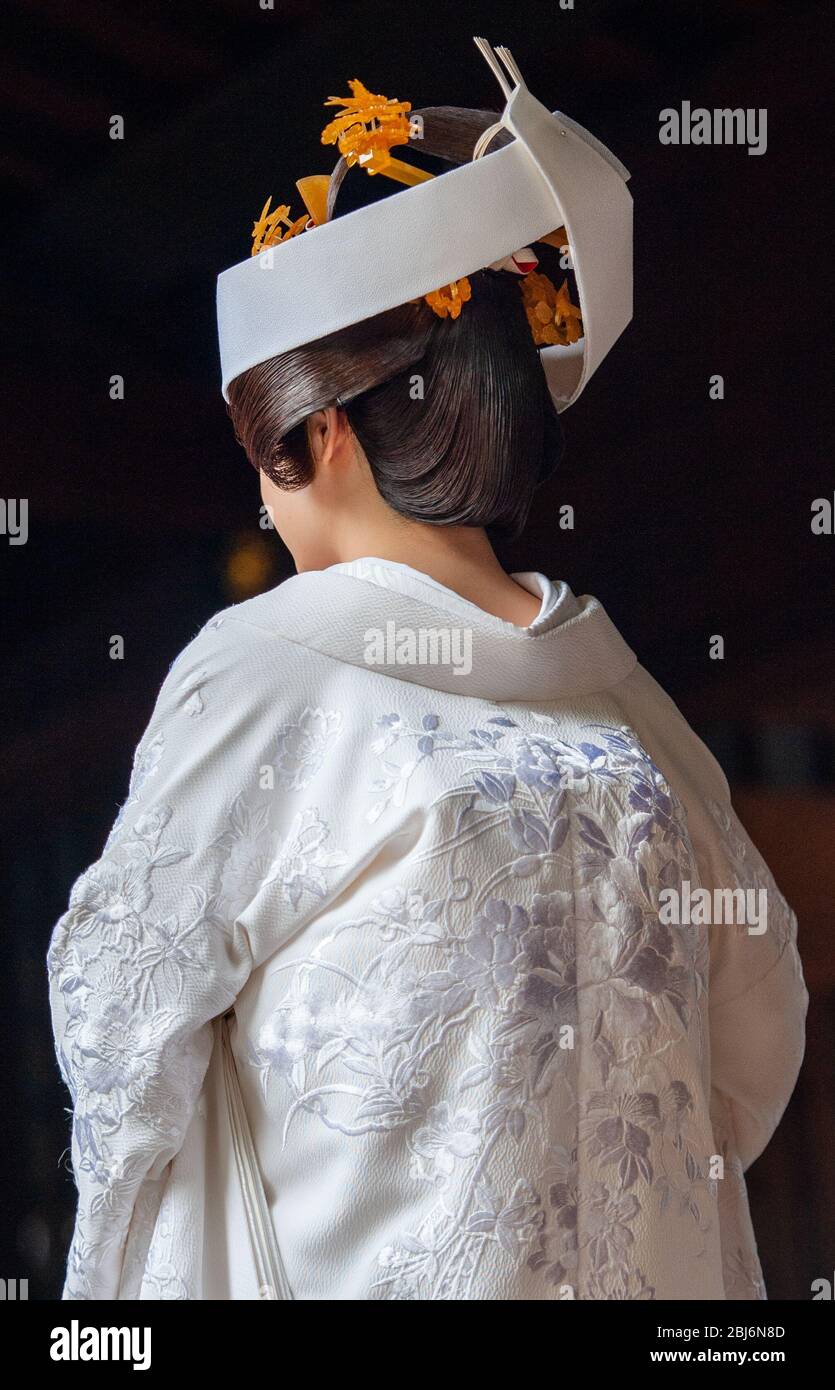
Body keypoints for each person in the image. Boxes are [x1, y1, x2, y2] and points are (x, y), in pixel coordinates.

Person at [48, 38, 807, 1301]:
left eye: (261, 451)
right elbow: (755, 1033)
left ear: (322, 434)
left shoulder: (267, 671)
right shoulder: (633, 711)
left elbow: (124, 1014)